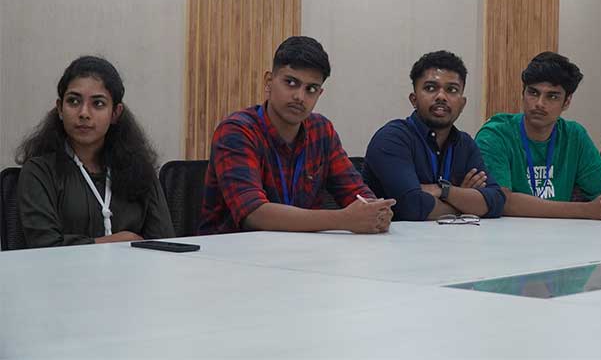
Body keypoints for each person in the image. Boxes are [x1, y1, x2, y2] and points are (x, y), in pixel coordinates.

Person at [198, 36, 395, 234]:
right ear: (269, 82)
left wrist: (376, 211)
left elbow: (355, 192)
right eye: (291, 82)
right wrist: (344, 219)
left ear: (319, 94)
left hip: (301, 248)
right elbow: (254, 214)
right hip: (232, 249)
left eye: (311, 89)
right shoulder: (237, 131)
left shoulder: (322, 130)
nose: (300, 97)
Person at [16, 56, 174, 247]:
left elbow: (164, 243)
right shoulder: (39, 171)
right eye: (73, 101)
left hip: (134, 267)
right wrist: (114, 243)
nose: (84, 113)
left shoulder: (140, 169)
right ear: (60, 109)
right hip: (63, 268)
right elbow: (43, 246)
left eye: (98, 103)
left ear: (115, 113)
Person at [476, 52, 601, 220]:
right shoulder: (496, 134)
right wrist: (586, 210)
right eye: (533, 93)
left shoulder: (574, 136)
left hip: (562, 234)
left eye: (552, 96)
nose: (539, 104)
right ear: (523, 94)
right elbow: (500, 200)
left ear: (567, 102)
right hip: (507, 234)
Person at [363, 51, 505, 221]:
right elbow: (413, 206)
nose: (441, 96)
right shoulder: (392, 139)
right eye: (430, 88)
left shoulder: (465, 144)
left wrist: (443, 190)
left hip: (453, 236)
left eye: (452, 90)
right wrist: (464, 202)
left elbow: (496, 202)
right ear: (414, 99)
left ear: (462, 104)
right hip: (396, 237)